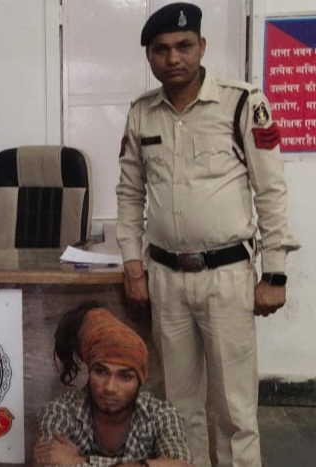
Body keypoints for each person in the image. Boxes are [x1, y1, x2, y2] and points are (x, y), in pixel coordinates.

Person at [116, 3, 300, 467]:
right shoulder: (141, 113)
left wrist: (275, 273)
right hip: (166, 279)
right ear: (149, 57)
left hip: (227, 277)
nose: (173, 58)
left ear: (202, 46)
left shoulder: (242, 103)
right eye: (160, 49)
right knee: (178, 409)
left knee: (235, 411)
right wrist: (133, 266)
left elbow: (270, 191)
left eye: (183, 46)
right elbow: (129, 193)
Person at [35, 302, 192, 467]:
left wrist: (79, 461)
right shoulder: (61, 411)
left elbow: (182, 465)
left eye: (125, 377)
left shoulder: (160, 414)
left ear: (140, 381)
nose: (110, 387)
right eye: (101, 372)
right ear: (89, 371)